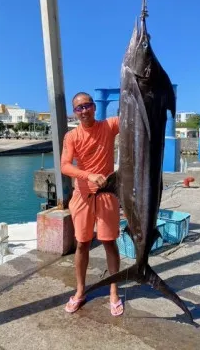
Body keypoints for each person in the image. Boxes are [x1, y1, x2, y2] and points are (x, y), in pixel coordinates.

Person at [60, 92, 123, 316]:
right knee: (82, 244)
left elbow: (131, 117)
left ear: (94, 107)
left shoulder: (109, 125)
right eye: (79, 108)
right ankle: (80, 291)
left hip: (107, 195)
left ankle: (114, 291)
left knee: (109, 242)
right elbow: (65, 166)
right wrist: (88, 175)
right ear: (75, 112)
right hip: (82, 196)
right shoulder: (72, 136)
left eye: (87, 106)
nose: (84, 110)